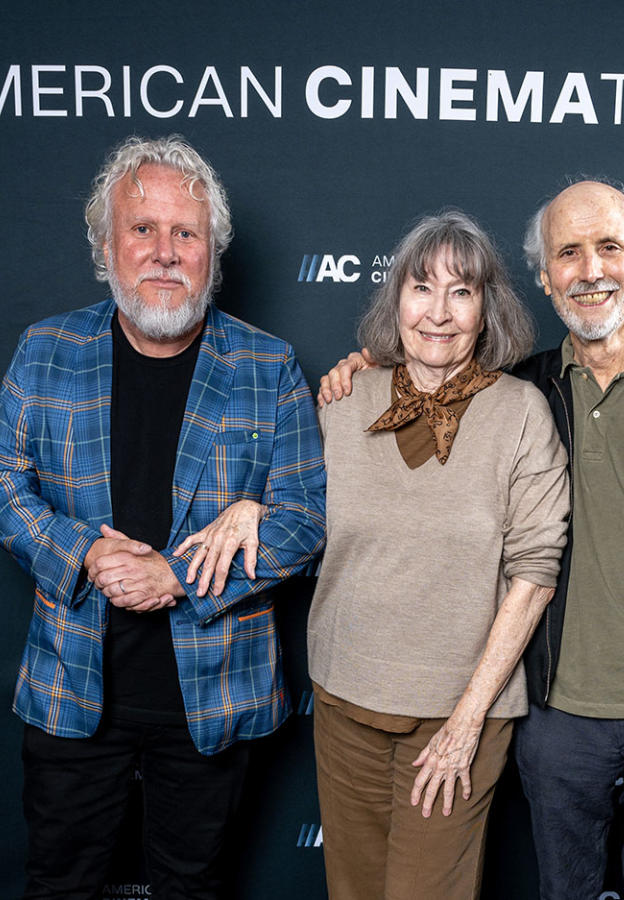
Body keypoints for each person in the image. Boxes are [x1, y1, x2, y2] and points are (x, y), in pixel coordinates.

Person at [317, 180, 624, 900]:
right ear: (545, 277)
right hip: (556, 722)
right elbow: (431, 374)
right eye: (568, 252)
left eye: (609, 247)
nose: (591, 269)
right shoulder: (528, 389)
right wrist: (363, 363)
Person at [0, 135, 325, 899]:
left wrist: (178, 577)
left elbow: (304, 521)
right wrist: (83, 555)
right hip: (71, 692)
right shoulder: (46, 351)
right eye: (142, 229)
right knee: (59, 884)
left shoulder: (270, 367)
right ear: (106, 246)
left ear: (212, 254)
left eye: (185, 233)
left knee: (193, 888)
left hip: (214, 697)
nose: (165, 251)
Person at [184, 210, 569, 899]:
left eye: (463, 292)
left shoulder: (520, 413)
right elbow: (301, 515)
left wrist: (466, 723)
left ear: (488, 309)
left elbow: (535, 575)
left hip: (457, 715)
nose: (439, 313)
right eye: (422, 288)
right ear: (396, 300)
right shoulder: (341, 398)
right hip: (345, 700)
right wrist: (250, 507)